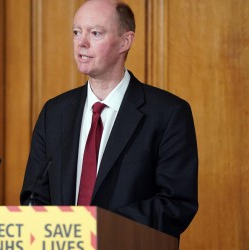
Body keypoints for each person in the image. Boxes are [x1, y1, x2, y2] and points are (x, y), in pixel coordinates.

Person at [20, 0, 198, 238]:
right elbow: (34, 197)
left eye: (95, 33)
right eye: (76, 32)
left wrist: (97, 227)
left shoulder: (168, 113)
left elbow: (176, 204)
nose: (81, 42)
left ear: (125, 41)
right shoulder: (54, 113)